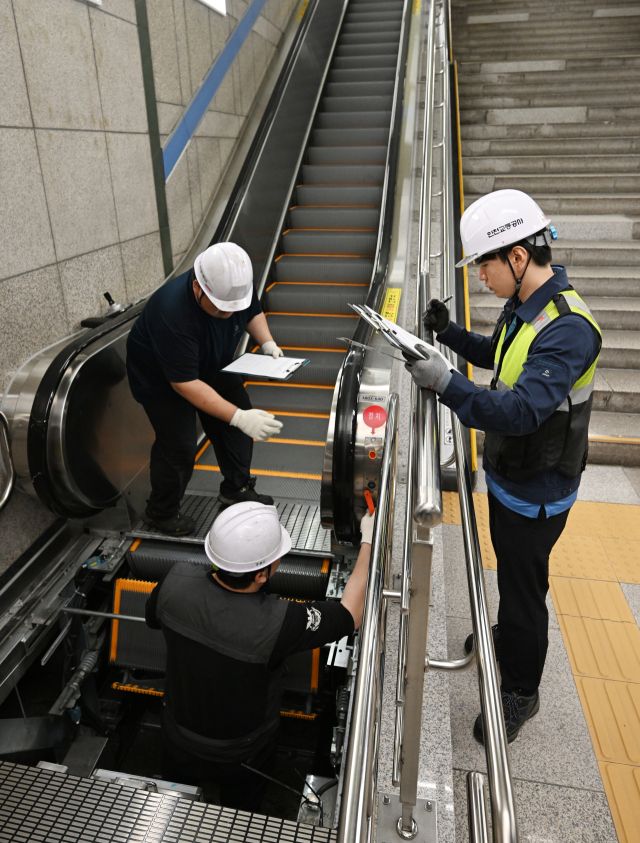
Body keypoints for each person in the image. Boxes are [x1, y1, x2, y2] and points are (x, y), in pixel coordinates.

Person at [405, 189, 601, 744]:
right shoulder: (527, 305)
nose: (480, 279)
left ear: (517, 256)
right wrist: (447, 334)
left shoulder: (568, 328)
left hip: (539, 490)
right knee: (513, 578)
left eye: (483, 265)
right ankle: (509, 636)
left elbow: (520, 410)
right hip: (513, 477)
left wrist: (446, 384)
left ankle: (521, 690)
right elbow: (498, 356)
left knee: (523, 589)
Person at [145, 502, 374, 811]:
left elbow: (154, 618)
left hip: (177, 738)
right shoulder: (279, 623)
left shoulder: (175, 582)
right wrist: (369, 541)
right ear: (262, 575)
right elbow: (350, 614)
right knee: (241, 811)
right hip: (242, 754)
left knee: (176, 803)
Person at [127, 242, 284, 536]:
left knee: (237, 421)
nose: (228, 315)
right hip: (161, 379)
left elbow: (251, 312)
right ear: (199, 288)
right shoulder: (171, 310)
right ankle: (160, 512)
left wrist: (267, 342)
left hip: (211, 362)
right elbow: (184, 384)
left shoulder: (234, 286)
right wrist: (236, 416)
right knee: (179, 446)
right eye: (221, 309)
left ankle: (235, 489)